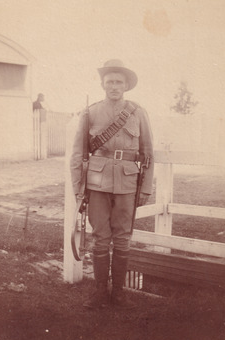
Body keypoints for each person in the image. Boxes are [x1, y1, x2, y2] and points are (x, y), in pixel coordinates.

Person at [70, 59, 154, 309]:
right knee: (100, 237)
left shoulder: (138, 113)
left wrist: (146, 186)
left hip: (128, 183)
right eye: (110, 82)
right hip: (96, 184)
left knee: (123, 238)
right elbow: (78, 153)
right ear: (102, 84)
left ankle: (118, 293)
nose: (114, 86)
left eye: (119, 82)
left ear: (126, 85)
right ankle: (99, 292)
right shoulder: (91, 112)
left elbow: (148, 152)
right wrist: (78, 187)